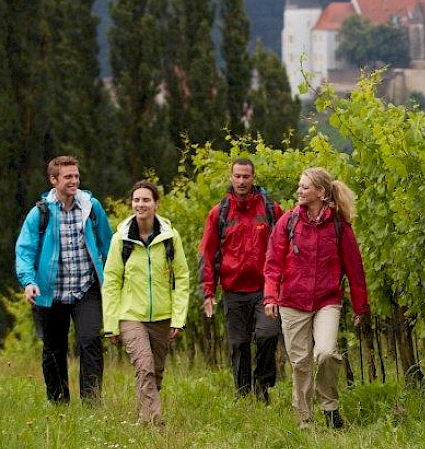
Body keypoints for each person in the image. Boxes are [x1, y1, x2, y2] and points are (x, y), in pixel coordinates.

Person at [264, 167, 369, 429]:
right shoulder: (288, 222)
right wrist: (270, 297)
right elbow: (273, 263)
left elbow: (354, 267)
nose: (299, 191)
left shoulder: (339, 226)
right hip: (292, 301)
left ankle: (330, 406)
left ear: (321, 193)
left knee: (325, 354)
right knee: (300, 363)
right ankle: (305, 420)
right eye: (299, 186)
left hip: (327, 300)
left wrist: (360, 305)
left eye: (305, 187)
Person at [15, 155, 114, 404]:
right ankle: (59, 405)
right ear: (53, 180)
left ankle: (92, 404)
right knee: (54, 349)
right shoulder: (41, 213)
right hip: (50, 293)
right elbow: (24, 251)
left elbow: (109, 243)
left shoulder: (91, 207)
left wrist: (113, 279)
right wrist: (29, 281)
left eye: (76, 176)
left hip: (86, 289)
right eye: (68, 176)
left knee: (90, 341)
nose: (74, 181)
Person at [103, 180, 191, 425]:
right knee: (145, 365)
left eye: (146, 200)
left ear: (156, 204)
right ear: (131, 203)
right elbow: (111, 282)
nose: (140, 204)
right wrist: (111, 324)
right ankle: (155, 420)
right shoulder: (120, 239)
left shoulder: (170, 237)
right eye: (136, 200)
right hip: (130, 315)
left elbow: (182, 277)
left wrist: (178, 318)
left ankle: (143, 419)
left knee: (156, 372)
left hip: (163, 316)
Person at [199, 158, 284, 402]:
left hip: (264, 289)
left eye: (246, 176)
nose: (242, 181)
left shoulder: (270, 209)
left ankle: (263, 384)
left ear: (254, 178)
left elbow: (282, 248)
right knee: (239, 344)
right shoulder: (219, 213)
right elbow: (208, 252)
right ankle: (243, 395)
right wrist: (208, 291)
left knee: (268, 335)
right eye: (237, 176)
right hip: (233, 290)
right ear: (231, 178)